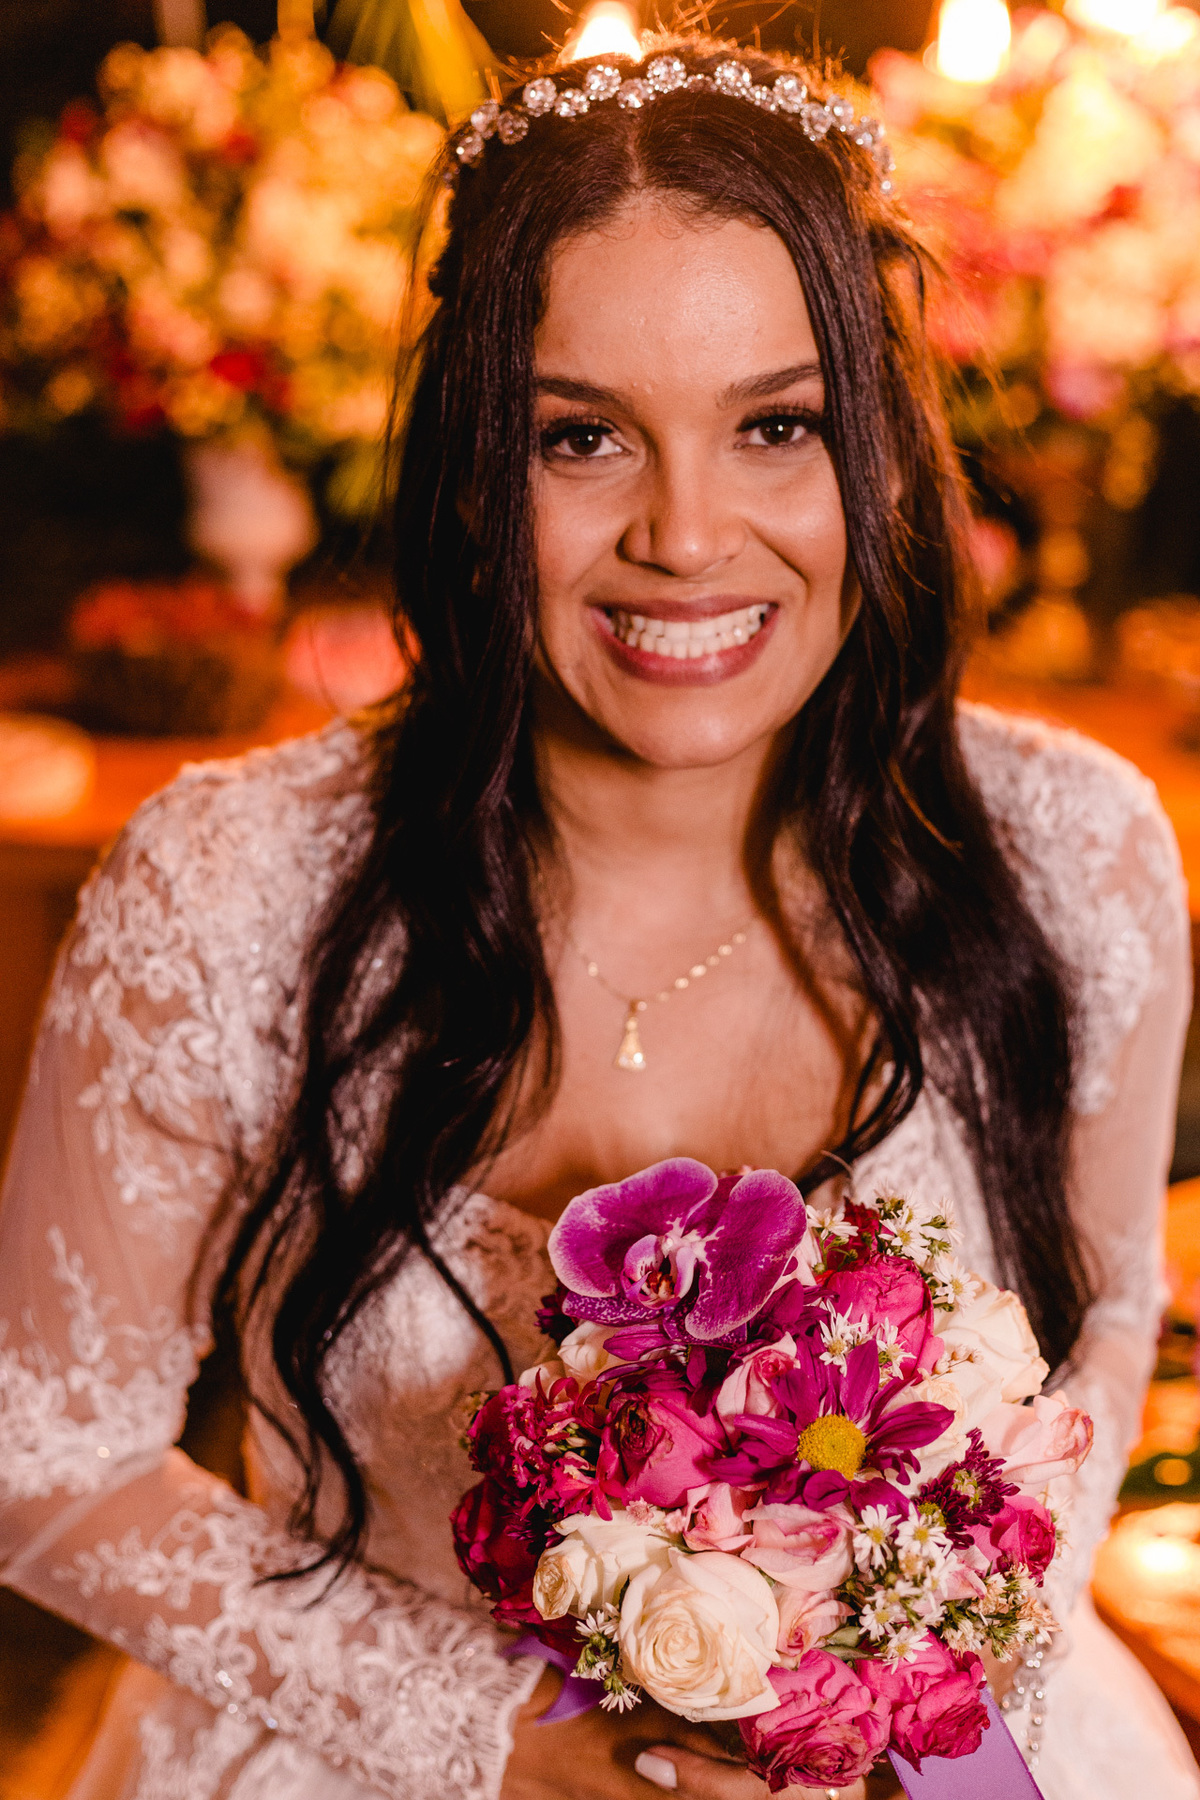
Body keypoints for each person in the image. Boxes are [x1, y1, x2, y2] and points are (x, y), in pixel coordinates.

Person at [0, 33, 1195, 1800]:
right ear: (482, 478)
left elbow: (1098, 1330)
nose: (690, 534)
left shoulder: (1069, 851)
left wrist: (898, 1672)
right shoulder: (226, 893)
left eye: (775, 425)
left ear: (872, 449)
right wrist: (501, 1739)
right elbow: (43, 1455)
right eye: (584, 439)